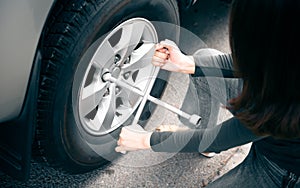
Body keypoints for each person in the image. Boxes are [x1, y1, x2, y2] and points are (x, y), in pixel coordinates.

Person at [115, 0, 300, 187]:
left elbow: (219, 138)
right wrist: (187, 63)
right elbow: (258, 60)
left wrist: (145, 140)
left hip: (283, 170)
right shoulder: (285, 58)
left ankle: (200, 143)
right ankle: (199, 138)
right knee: (205, 60)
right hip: (274, 117)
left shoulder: (285, 101)